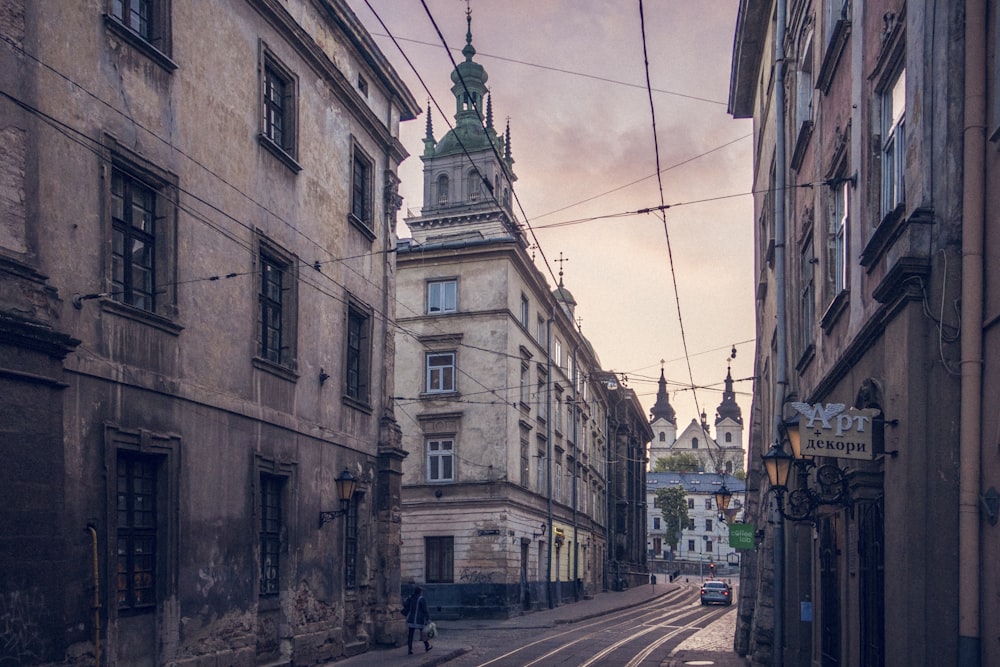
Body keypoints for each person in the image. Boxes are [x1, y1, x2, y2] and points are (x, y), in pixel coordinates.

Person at [402, 586, 432, 654]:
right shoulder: (422, 599)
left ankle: (410, 650)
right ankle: (427, 646)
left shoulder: (411, 597)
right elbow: (425, 610)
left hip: (411, 619)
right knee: (423, 633)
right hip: (419, 619)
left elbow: (405, 604)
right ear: (420, 592)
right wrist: (428, 618)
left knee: (410, 634)